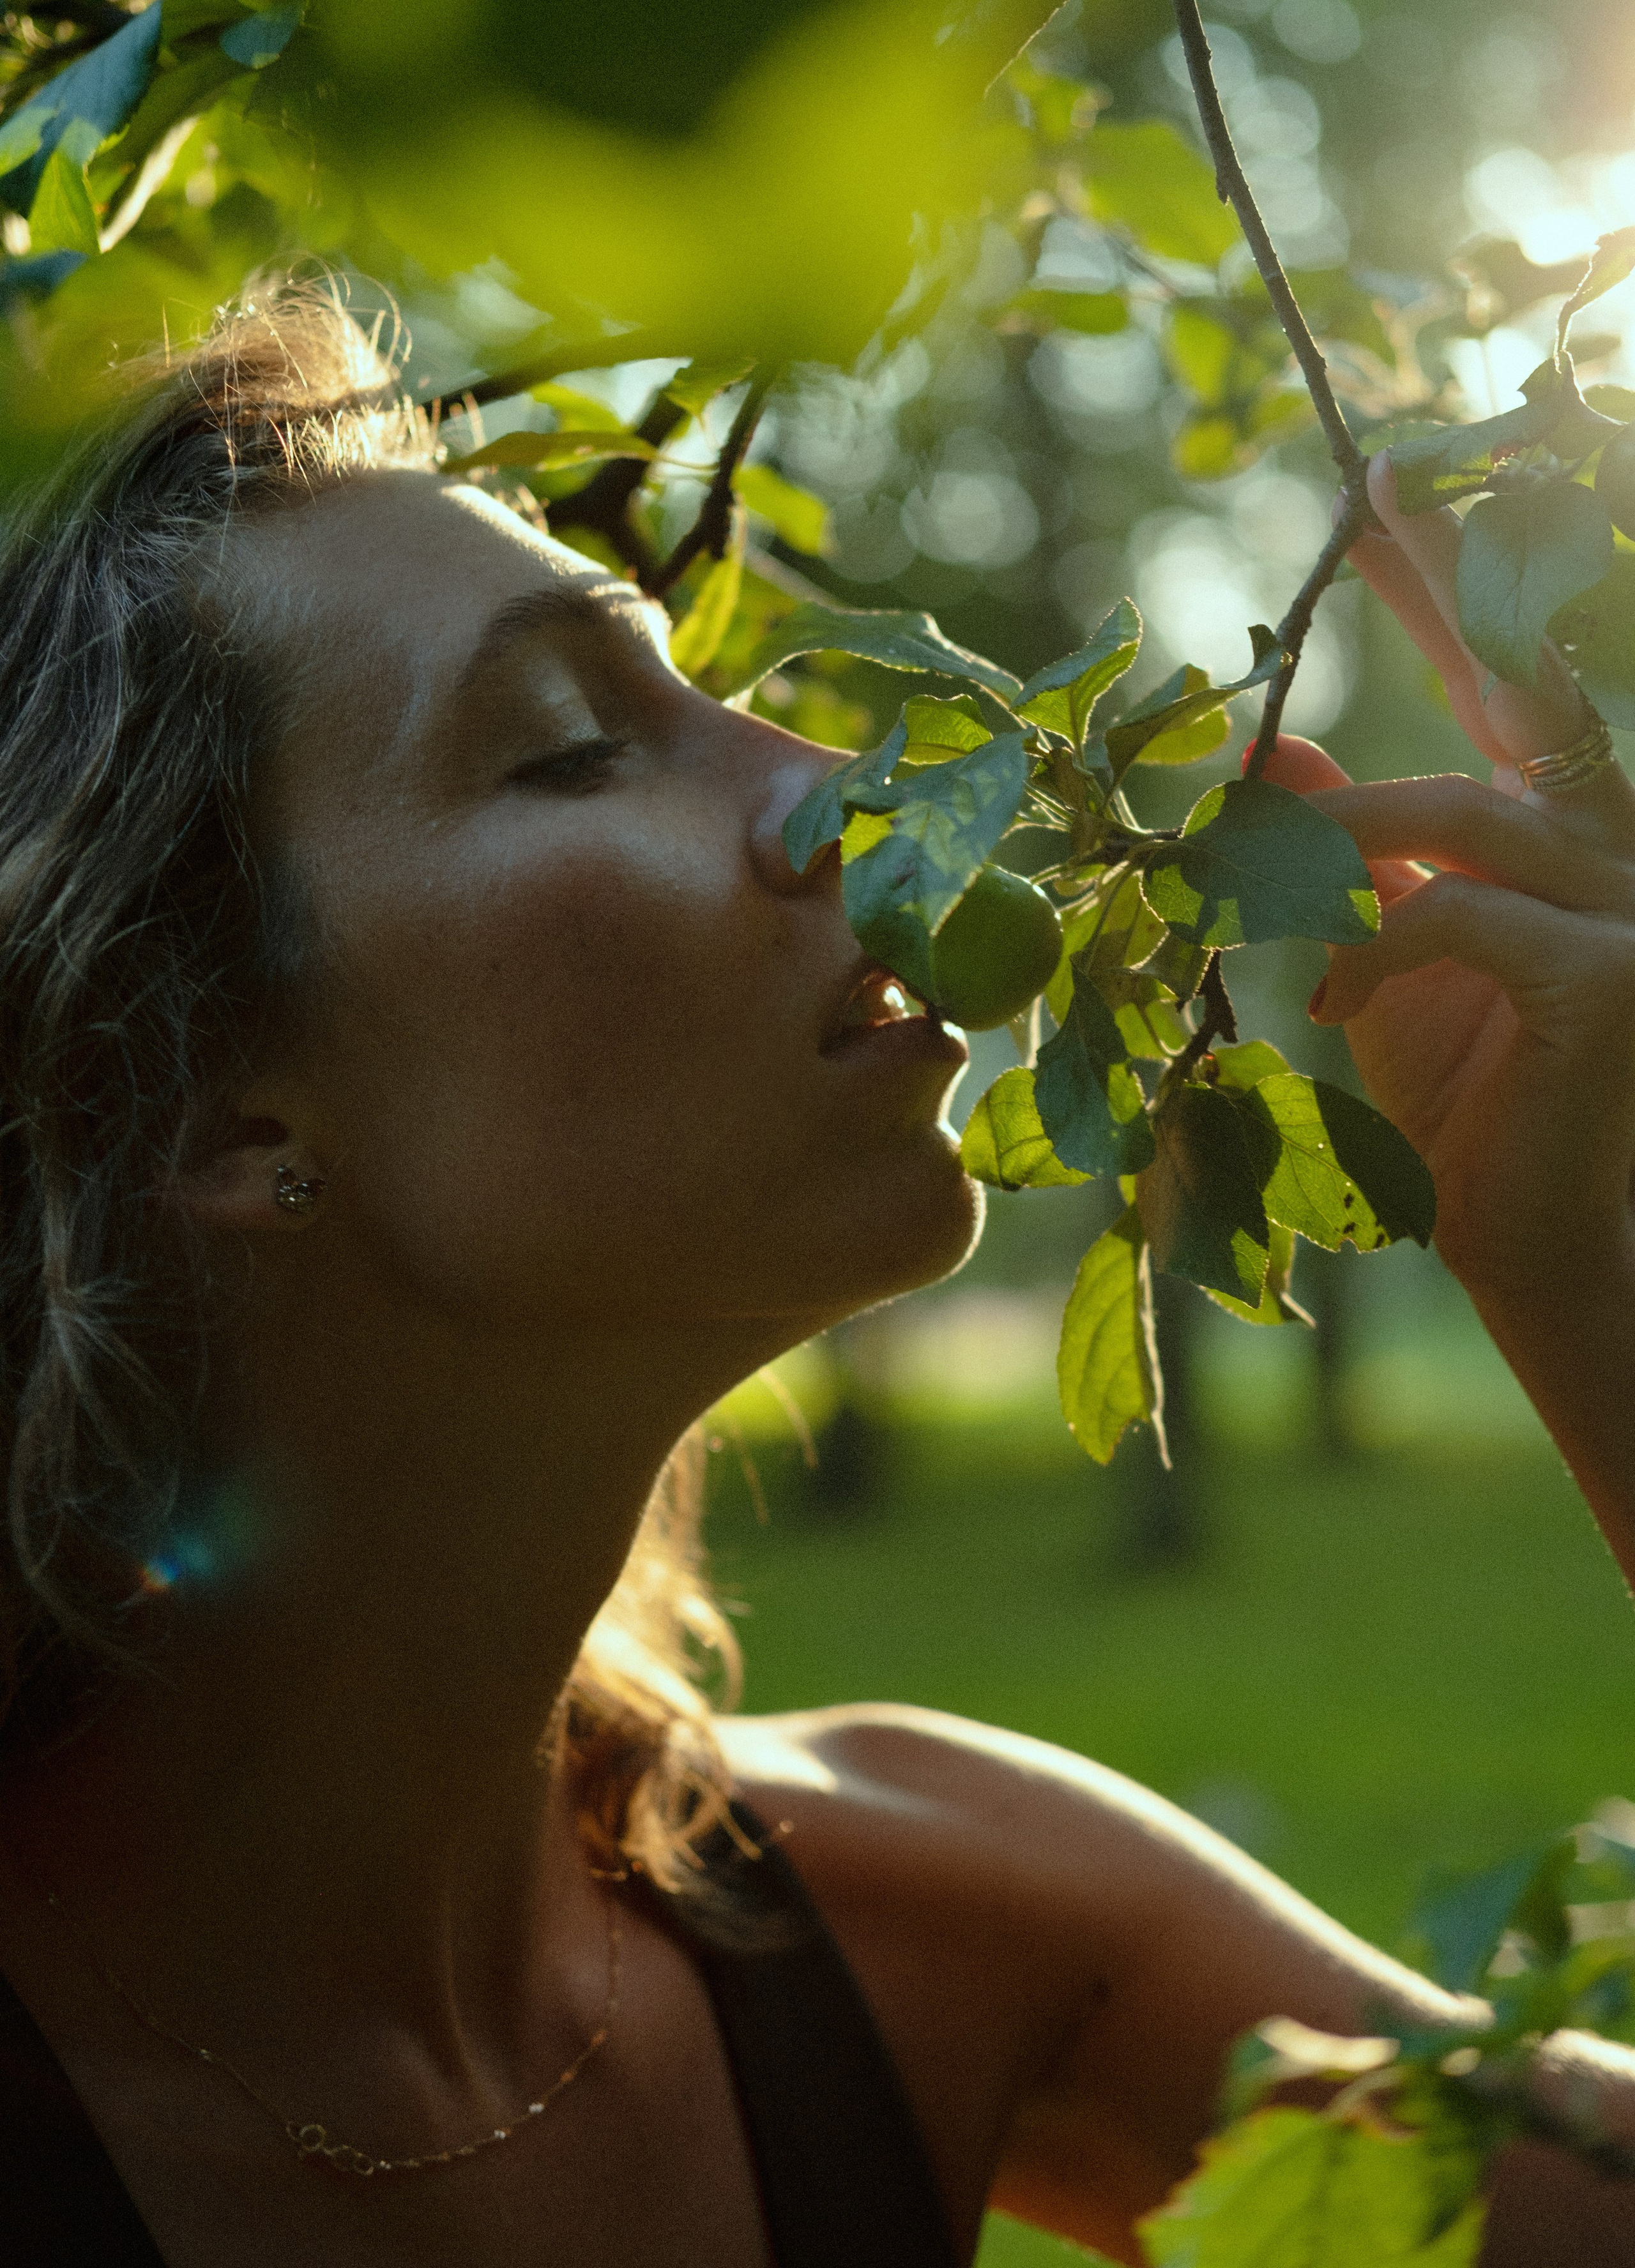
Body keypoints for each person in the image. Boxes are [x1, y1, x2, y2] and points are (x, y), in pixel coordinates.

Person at [0, 280, 1629, 2268]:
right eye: (573, 746)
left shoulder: (948, 1917)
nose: (848, 785)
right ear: (198, 1117)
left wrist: (1595, 1279)